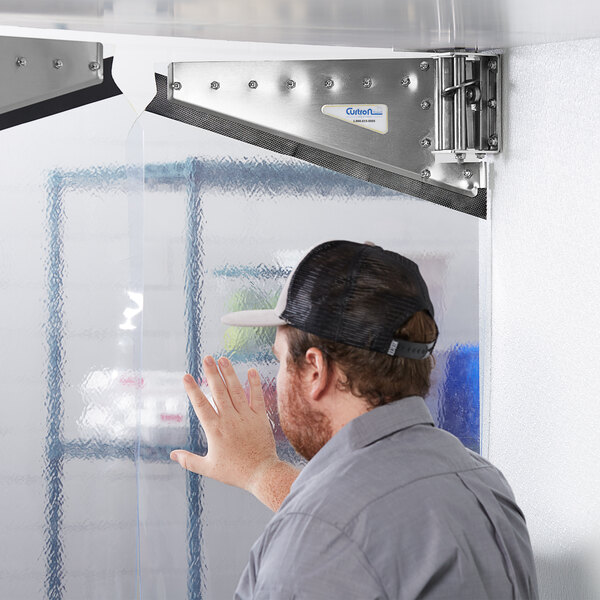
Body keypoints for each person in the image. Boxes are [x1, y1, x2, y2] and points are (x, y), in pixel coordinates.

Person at [170, 240, 539, 599]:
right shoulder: (482, 484)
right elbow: (377, 527)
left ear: (314, 369)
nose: (277, 377)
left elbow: (345, 532)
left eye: (281, 359)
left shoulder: (319, 539)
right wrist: (260, 472)